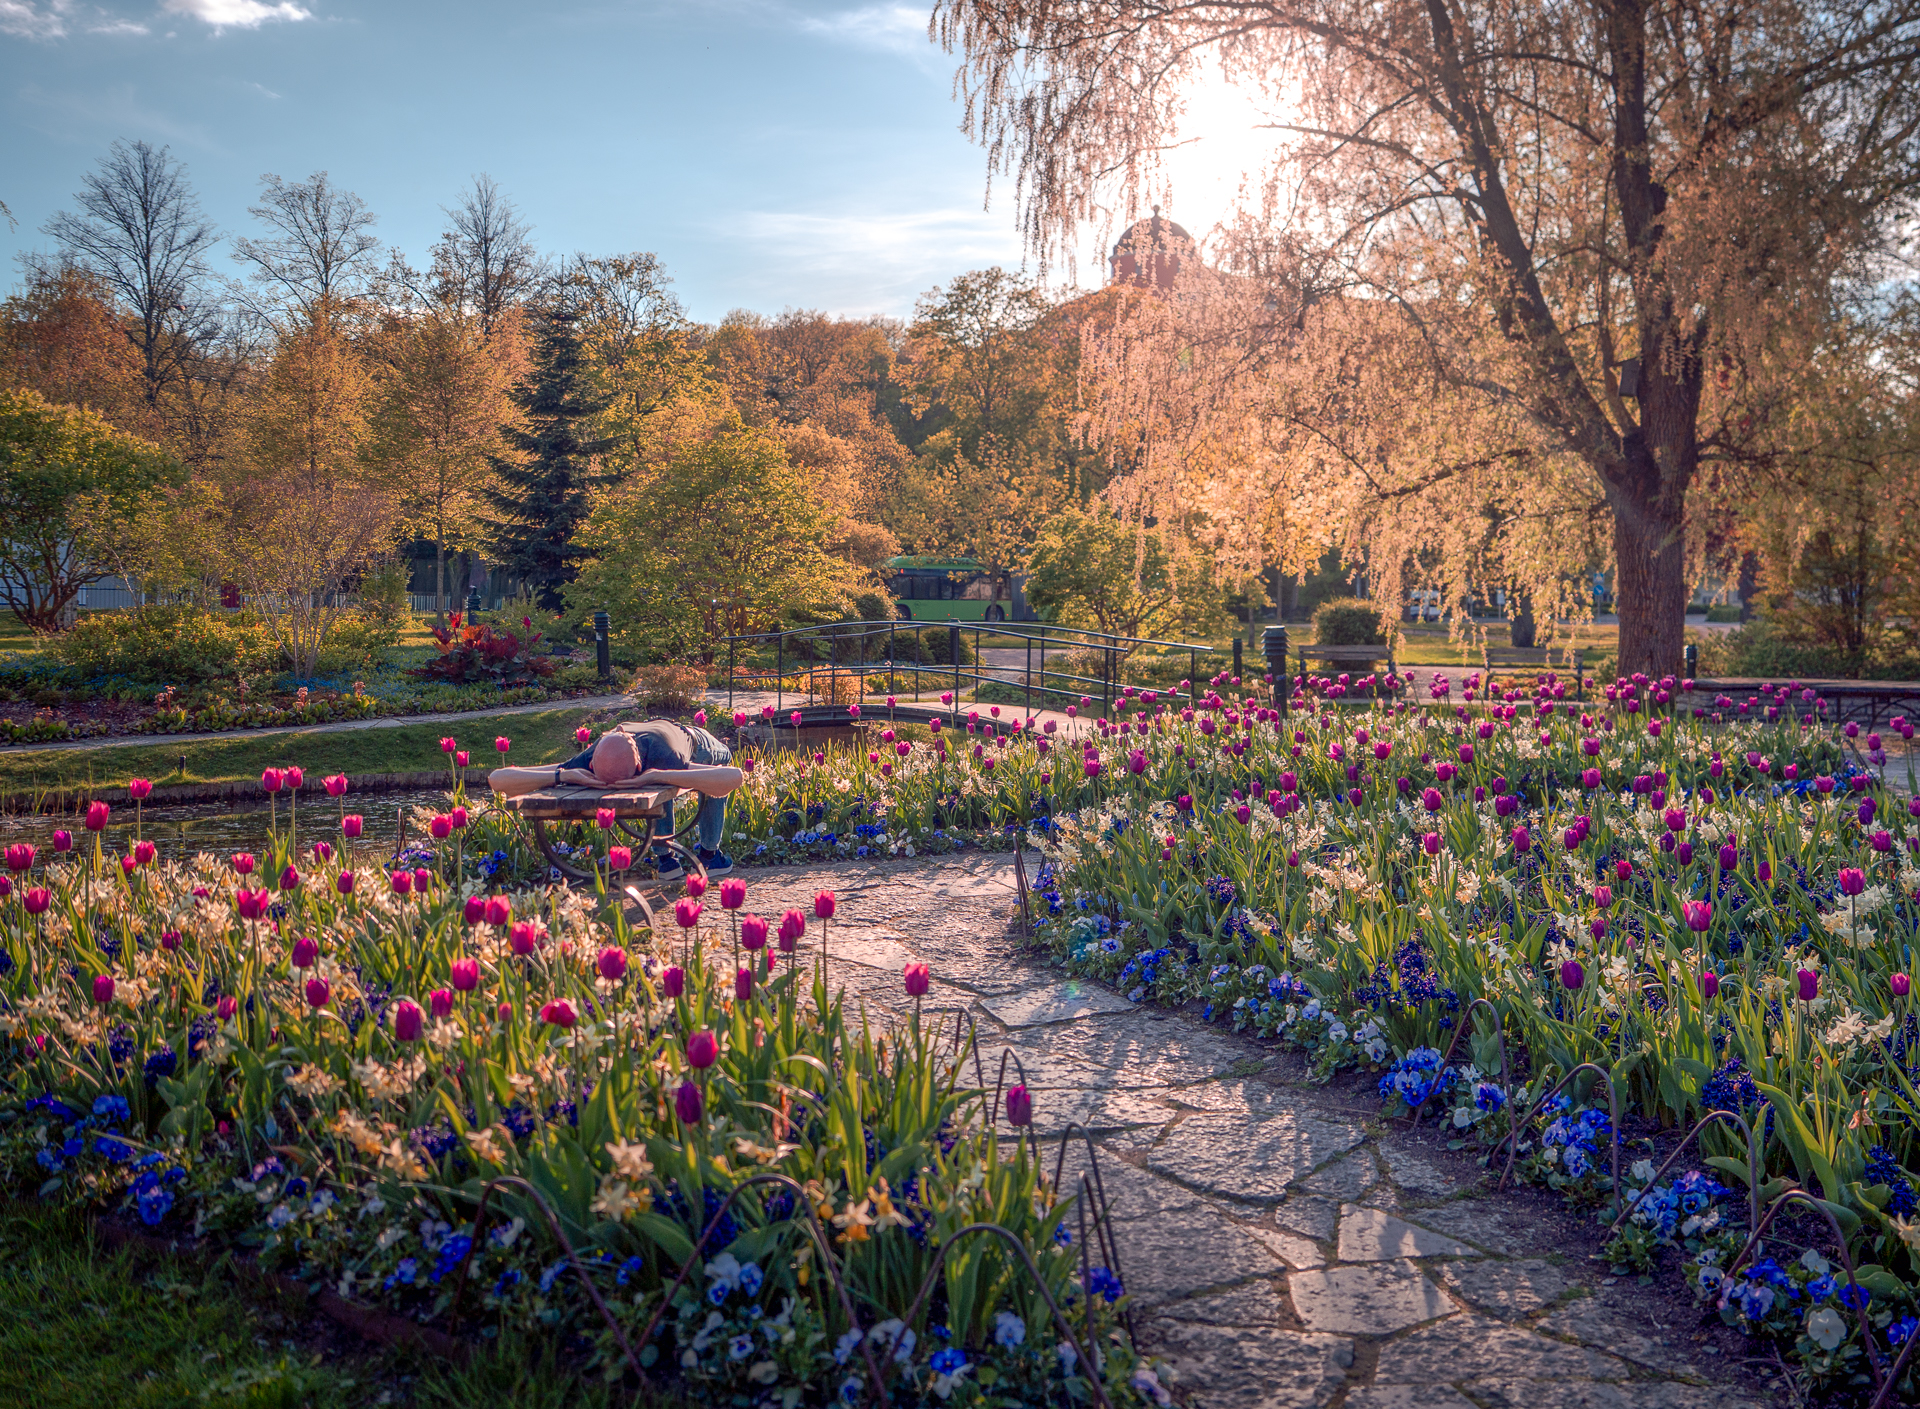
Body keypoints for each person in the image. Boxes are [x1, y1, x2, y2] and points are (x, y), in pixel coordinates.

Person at [488, 719, 740, 875]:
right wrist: (563, 775)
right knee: (666, 777)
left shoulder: (667, 755)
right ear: (593, 763)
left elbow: (731, 776)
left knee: (709, 760)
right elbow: (497, 779)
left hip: (693, 740)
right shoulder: (591, 756)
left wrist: (656, 775)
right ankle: (706, 856)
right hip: (654, 734)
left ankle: (676, 858)